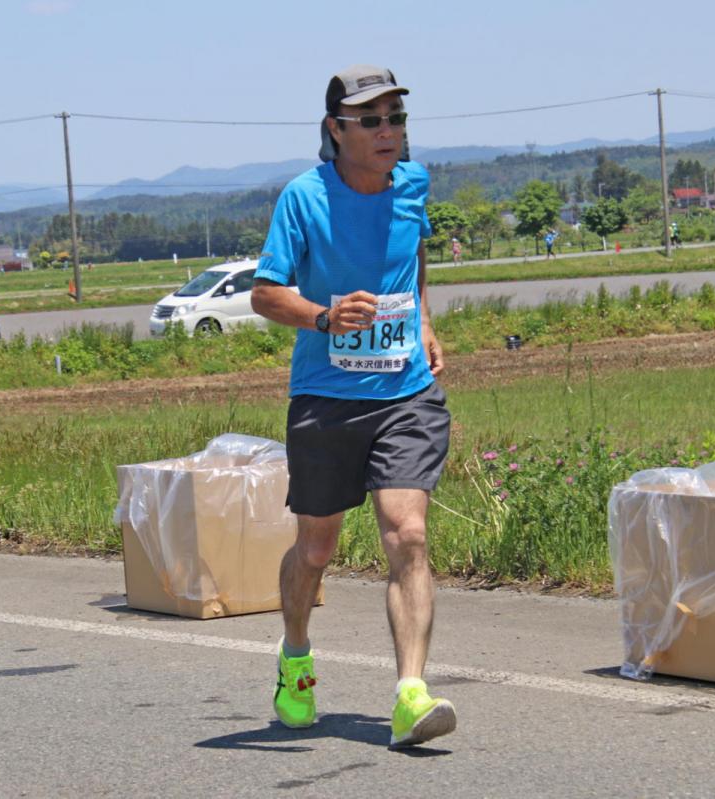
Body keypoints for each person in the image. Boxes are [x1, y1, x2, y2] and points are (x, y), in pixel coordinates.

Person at [251, 64, 455, 749]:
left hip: (406, 392)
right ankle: (296, 659)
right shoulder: (303, 198)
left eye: (396, 118)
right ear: (335, 130)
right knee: (316, 547)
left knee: (408, 534)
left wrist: (424, 321)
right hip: (326, 398)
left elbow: (414, 255)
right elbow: (266, 293)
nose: (387, 130)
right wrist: (324, 316)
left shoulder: (414, 184)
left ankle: (410, 694)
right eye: (371, 120)